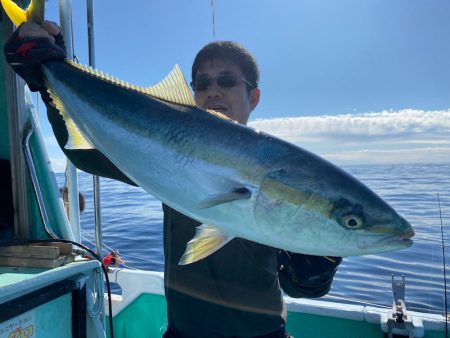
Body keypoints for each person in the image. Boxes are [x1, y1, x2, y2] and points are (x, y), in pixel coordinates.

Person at [4, 21, 342, 338]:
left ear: (253, 96)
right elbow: (85, 154)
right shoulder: (166, 154)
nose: (213, 91)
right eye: (202, 83)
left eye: (227, 81)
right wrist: (51, 83)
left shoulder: (281, 172)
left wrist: (318, 266)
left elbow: (299, 286)